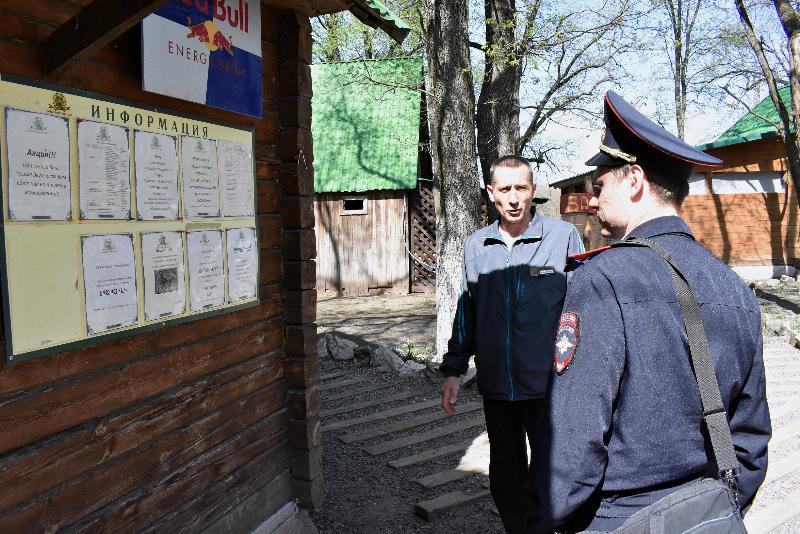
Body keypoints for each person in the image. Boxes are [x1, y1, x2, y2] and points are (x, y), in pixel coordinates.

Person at [528, 91, 771, 532]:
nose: (594, 200)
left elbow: (572, 443)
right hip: (709, 513)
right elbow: (751, 441)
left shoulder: (603, 280)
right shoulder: (734, 287)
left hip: (618, 517)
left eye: (599, 186)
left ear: (634, 180)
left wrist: (549, 519)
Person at [439, 155, 584, 534]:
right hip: (498, 385)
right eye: (505, 189)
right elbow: (466, 312)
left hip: (548, 385)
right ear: (491, 194)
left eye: (521, 188)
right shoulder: (477, 246)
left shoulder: (562, 238)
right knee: (506, 477)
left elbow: (584, 310)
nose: (514, 198)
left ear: (533, 191)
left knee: (554, 472)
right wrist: (454, 369)